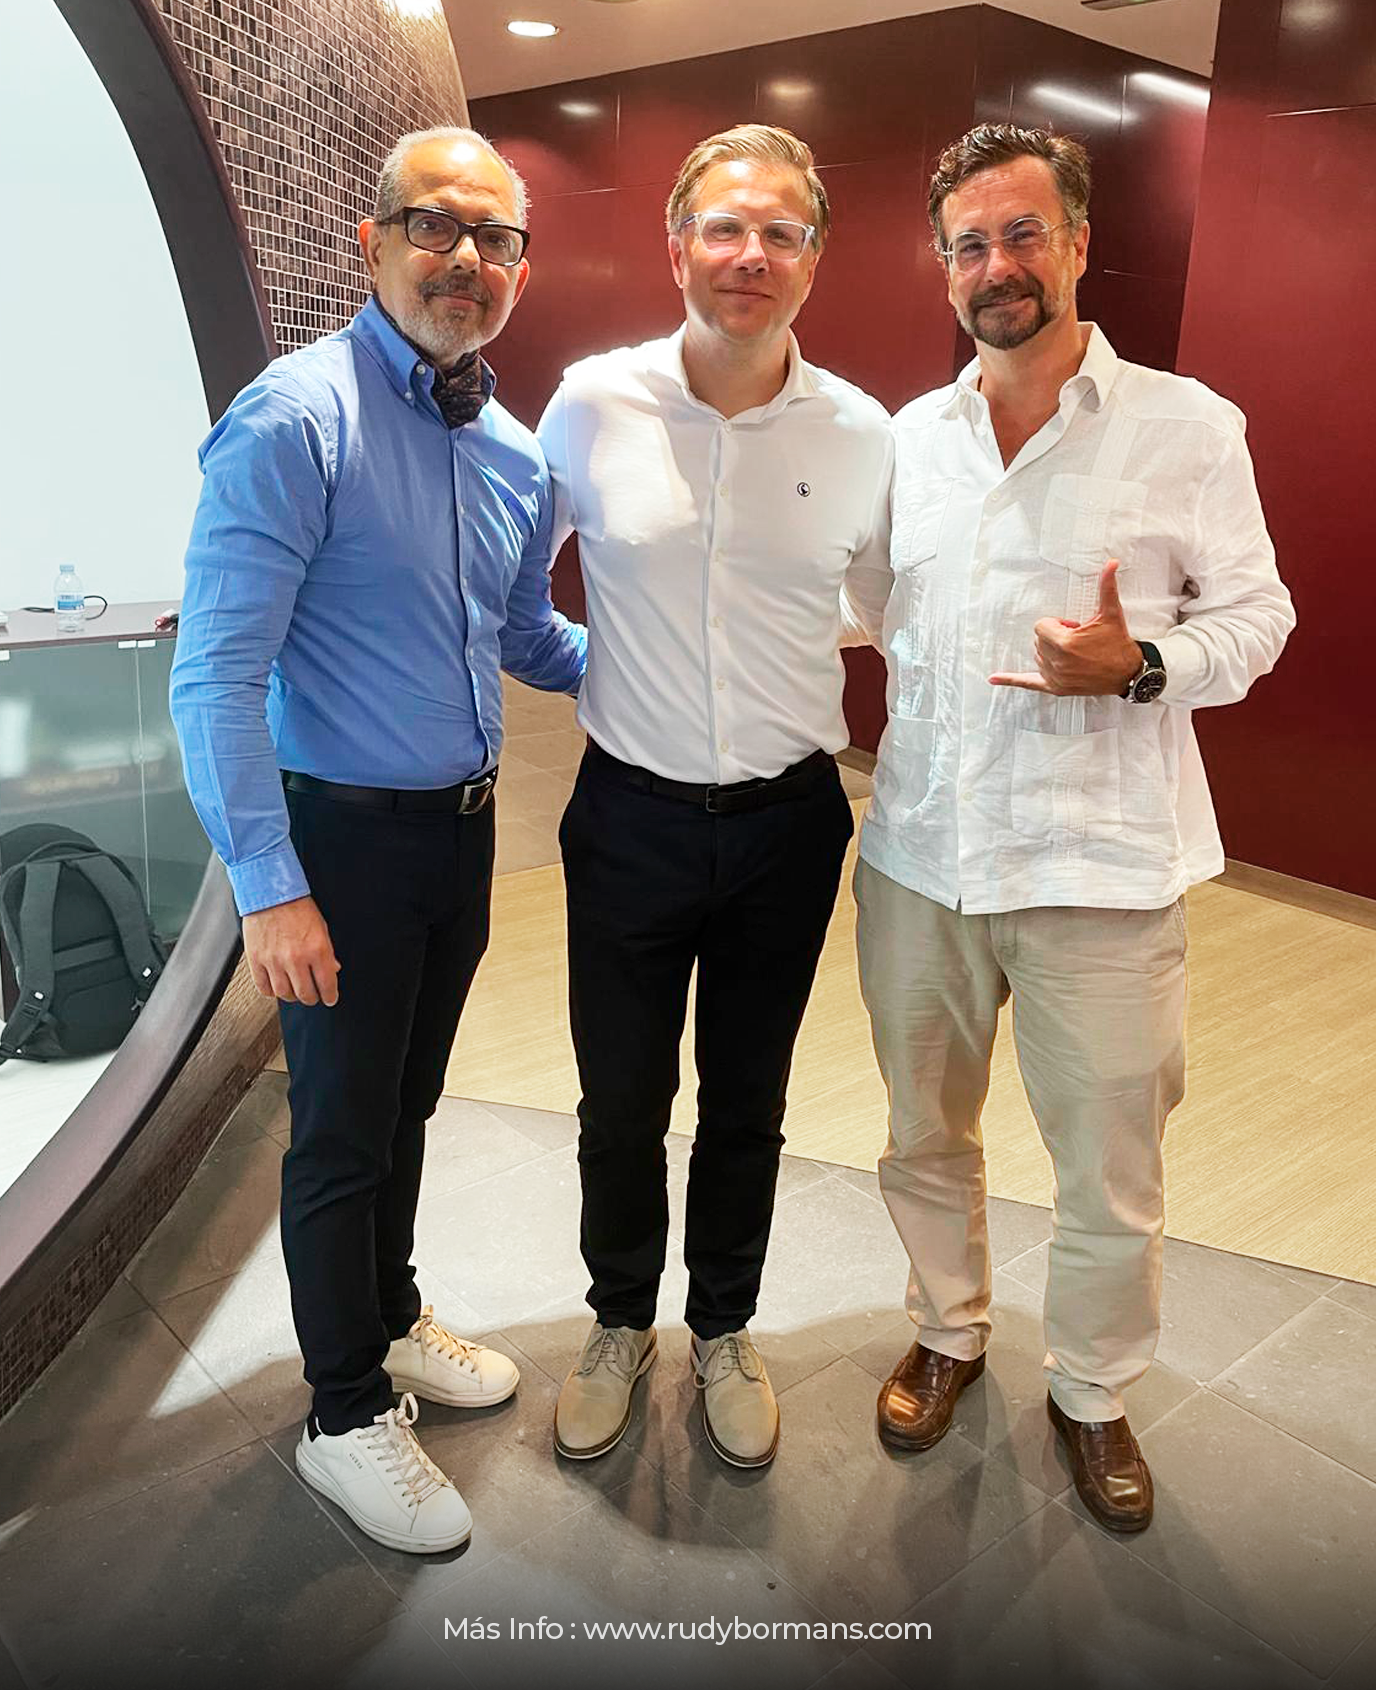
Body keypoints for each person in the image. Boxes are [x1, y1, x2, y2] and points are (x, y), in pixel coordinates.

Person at [853, 123, 1295, 1531]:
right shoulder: (904, 442)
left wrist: (1143, 663)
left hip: (1099, 872)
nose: (998, 266)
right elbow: (865, 608)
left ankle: (1094, 1392)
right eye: (970, 245)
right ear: (942, 267)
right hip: (920, 858)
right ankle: (948, 1327)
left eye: (1023, 234)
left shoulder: (1187, 426)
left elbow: (1260, 617)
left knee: (1110, 1166)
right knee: (922, 1131)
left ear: (1081, 243)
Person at [170, 127, 585, 1554]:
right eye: (434, 225)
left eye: (495, 238)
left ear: (521, 265)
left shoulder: (513, 451)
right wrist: (269, 888)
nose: (465, 259)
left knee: (406, 1104)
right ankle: (342, 1411)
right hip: (337, 846)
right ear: (374, 241)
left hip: (460, 843)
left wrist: (687, 666)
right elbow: (215, 673)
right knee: (341, 1132)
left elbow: (526, 636)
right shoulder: (297, 419)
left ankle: (390, 1312)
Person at [537, 125, 892, 1469]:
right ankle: (620, 1319)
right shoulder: (592, 402)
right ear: (677, 243)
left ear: (813, 258)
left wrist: (765, 641)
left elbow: (885, 604)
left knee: (749, 1098)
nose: (753, 254)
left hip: (787, 825)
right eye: (727, 228)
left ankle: (726, 1324)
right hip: (627, 815)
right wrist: (597, 665)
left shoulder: (859, 432)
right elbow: (513, 576)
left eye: (781, 233)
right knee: (619, 1101)